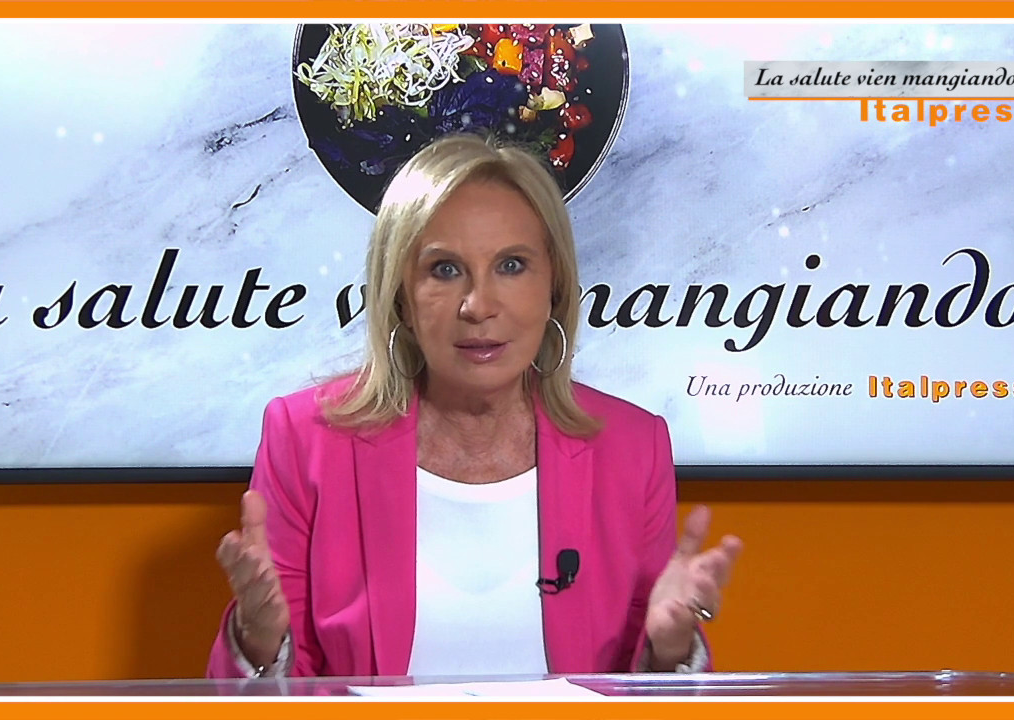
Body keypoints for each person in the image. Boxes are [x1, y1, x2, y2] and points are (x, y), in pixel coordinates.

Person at [207, 133, 742, 678]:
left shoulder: (631, 448)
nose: (478, 305)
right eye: (444, 269)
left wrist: (670, 652)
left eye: (511, 266)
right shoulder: (307, 439)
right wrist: (258, 642)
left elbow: (644, 693)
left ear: (554, 285)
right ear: (400, 296)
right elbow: (269, 698)